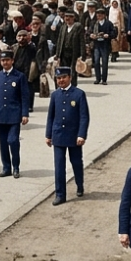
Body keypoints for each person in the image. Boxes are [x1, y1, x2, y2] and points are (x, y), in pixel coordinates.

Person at [45, 66, 89, 205]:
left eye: (63, 77)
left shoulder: (78, 94)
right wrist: (48, 135)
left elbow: (84, 117)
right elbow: (50, 117)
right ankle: (60, 194)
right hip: (58, 135)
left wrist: (81, 135)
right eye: (58, 78)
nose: (61, 80)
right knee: (59, 166)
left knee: (76, 162)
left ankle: (79, 184)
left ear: (70, 77)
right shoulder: (55, 95)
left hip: (74, 136)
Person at [0, 49, 31, 179]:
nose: (5, 62)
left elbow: (24, 96)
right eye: (2, 60)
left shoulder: (19, 76)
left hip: (14, 115)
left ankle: (16, 166)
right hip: (0, 114)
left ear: (12, 61)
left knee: (13, 140)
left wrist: (24, 114)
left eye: (7, 60)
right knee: (3, 143)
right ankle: (6, 167)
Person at [89, 7, 116, 85]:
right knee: (96, 61)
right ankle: (97, 78)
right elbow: (88, 32)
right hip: (96, 44)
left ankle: (104, 79)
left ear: (104, 15)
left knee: (104, 62)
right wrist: (91, 35)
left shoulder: (108, 23)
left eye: (101, 14)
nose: (99, 16)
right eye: (98, 14)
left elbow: (114, 33)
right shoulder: (94, 23)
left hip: (105, 44)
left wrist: (108, 35)